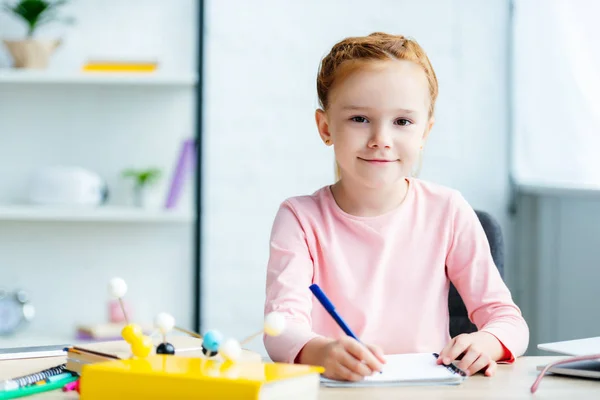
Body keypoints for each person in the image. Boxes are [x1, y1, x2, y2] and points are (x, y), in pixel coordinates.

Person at [263, 32, 529, 382]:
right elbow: (279, 327)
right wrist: (321, 352)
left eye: (402, 122)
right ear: (325, 127)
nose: (381, 140)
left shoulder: (448, 210)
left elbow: (508, 320)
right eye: (359, 119)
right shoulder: (299, 219)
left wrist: (488, 341)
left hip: (431, 389)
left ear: (425, 132)